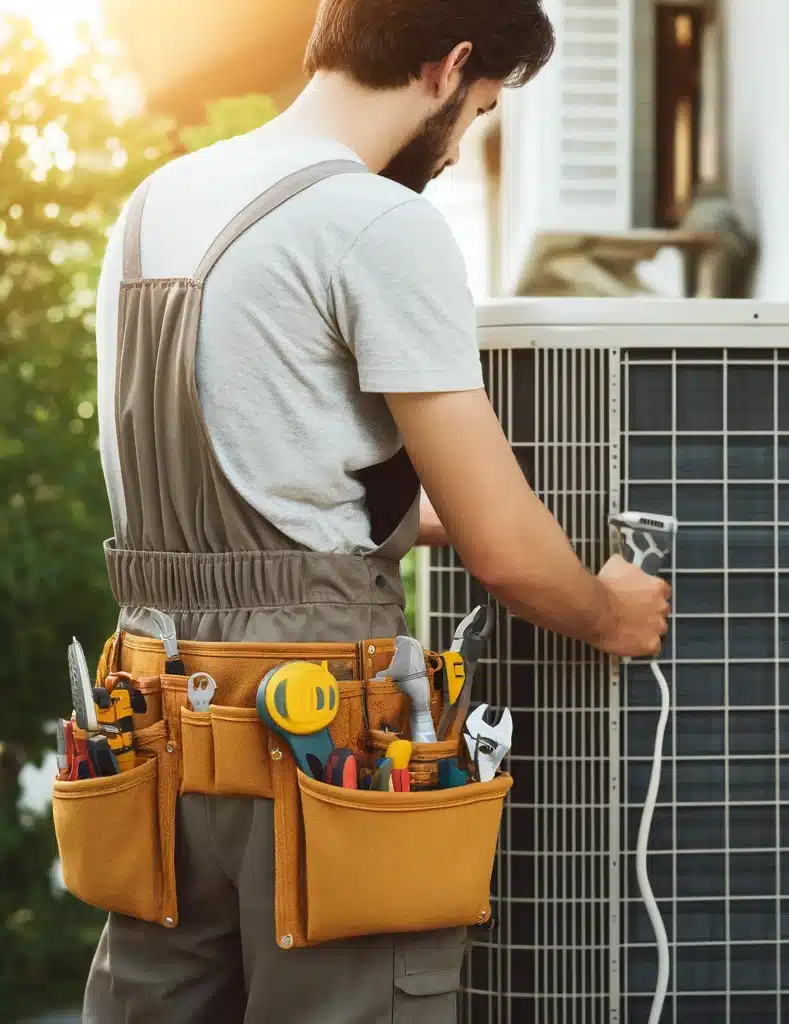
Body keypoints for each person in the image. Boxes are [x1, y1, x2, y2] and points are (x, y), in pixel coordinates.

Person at [85, 0, 671, 1021]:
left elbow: (264, 481)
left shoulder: (156, 202)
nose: (458, 149)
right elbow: (505, 554)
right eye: (482, 110)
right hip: (316, 732)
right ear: (447, 70)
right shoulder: (377, 222)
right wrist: (609, 612)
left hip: (153, 718)